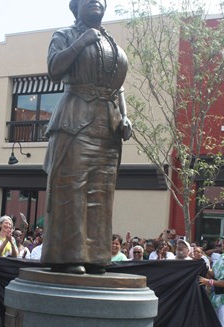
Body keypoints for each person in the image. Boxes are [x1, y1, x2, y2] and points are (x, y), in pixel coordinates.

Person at [41, 0, 132, 275]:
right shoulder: (66, 35)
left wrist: (125, 117)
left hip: (107, 127)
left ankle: (96, 256)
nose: (96, 1)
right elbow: (54, 68)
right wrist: (80, 43)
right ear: (75, 7)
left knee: (101, 193)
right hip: (76, 121)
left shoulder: (112, 42)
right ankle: (70, 256)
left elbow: (119, 89)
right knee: (73, 190)